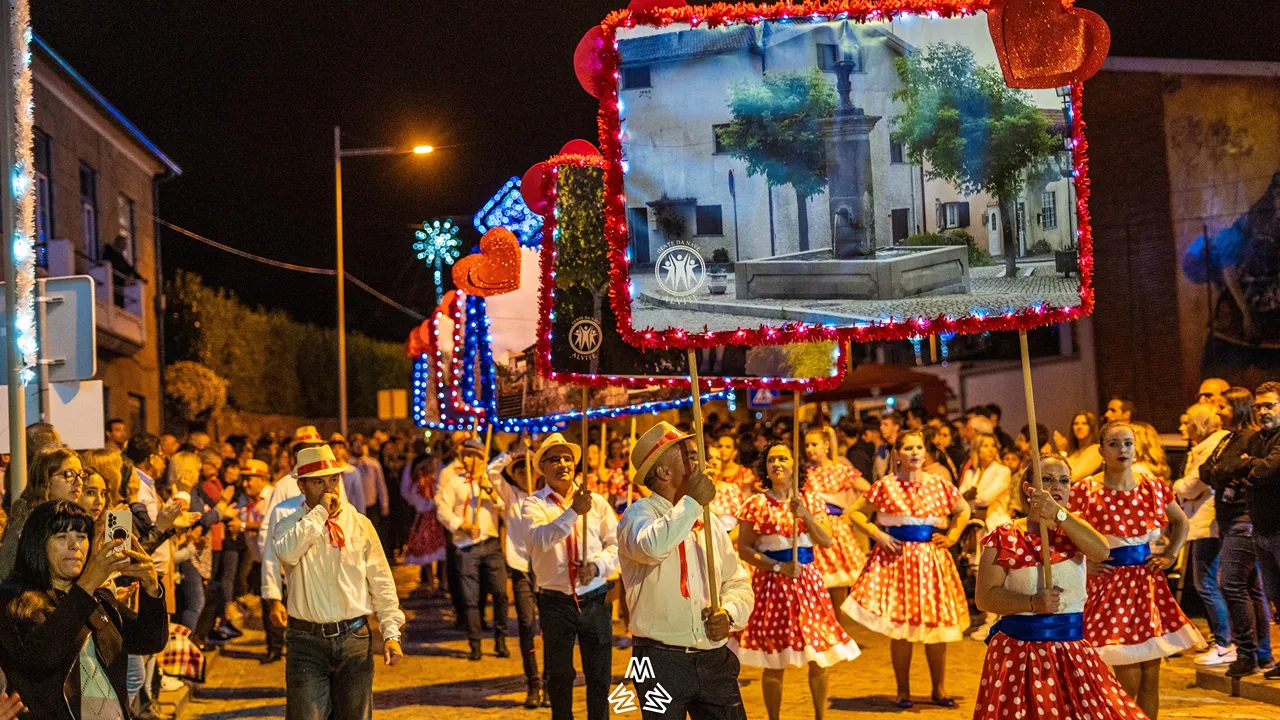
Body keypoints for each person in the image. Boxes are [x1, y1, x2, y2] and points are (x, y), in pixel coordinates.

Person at [973, 457, 1146, 720]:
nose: (1057, 486)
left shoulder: (1075, 530)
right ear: (1028, 488)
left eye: (1064, 481)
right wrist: (1032, 603)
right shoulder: (1004, 536)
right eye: (1047, 479)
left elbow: (1101, 551)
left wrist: (1059, 515)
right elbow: (985, 598)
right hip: (1018, 654)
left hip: (1071, 652)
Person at [619, 421, 755, 720]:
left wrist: (729, 613)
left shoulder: (711, 521)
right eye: (691, 456)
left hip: (714, 659)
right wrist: (691, 502)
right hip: (656, 661)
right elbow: (652, 547)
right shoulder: (636, 515)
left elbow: (739, 583)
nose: (701, 463)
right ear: (664, 472)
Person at [1070, 421, 1201, 717]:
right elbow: (1065, 533)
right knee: (1126, 672)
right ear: (1101, 451)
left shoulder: (1150, 486)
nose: (1123, 450)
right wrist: (1085, 563)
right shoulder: (1086, 490)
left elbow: (1180, 521)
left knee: (1150, 674)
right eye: (1114, 444)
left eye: (1128, 443)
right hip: (1110, 586)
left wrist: (1170, 554)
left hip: (1146, 583)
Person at [0, 501, 168, 720]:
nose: (75, 545)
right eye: (61, 537)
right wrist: (86, 586)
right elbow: (42, 657)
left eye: (81, 536)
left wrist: (152, 590)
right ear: (38, 544)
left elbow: (149, 641)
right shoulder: (14, 600)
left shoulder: (97, 597)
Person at [272, 444, 404, 720]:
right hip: (306, 642)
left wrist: (391, 633)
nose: (328, 487)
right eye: (319, 481)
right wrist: (319, 514)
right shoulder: (289, 522)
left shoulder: (359, 524)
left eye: (333, 479)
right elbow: (286, 553)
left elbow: (381, 580)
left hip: (353, 638)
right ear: (302, 486)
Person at [733, 440, 860, 720]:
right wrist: (777, 567)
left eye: (783, 459)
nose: (777, 464)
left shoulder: (812, 501)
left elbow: (826, 540)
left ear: (795, 465)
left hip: (808, 582)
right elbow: (745, 549)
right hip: (772, 584)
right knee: (774, 658)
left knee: (818, 654)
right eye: (772, 460)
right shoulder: (755, 504)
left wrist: (804, 514)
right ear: (764, 467)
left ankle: (819, 716)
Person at [843, 431, 970, 708]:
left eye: (919, 447)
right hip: (897, 560)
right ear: (897, 454)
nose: (915, 453)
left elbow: (964, 510)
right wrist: (878, 534)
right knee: (900, 628)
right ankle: (903, 691)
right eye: (908, 447)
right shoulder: (886, 486)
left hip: (931, 560)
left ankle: (939, 688)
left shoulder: (940, 484)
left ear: (926, 452)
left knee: (937, 628)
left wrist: (953, 536)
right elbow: (855, 512)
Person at [522, 433, 618, 720]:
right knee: (560, 676)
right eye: (555, 459)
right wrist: (573, 513)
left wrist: (598, 566)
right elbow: (539, 539)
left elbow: (615, 544)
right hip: (555, 602)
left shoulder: (597, 502)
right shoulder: (533, 505)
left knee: (599, 675)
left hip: (595, 599)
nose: (563, 464)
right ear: (542, 467)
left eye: (567, 458)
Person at [436, 437, 508, 661]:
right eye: (466, 455)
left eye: (474, 456)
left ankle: (500, 639)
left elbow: (505, 506)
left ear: (482, 458)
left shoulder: (493, 481)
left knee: (500, 593)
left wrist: (489, 490)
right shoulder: (454, 483)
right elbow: (442, 509)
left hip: (491, 544)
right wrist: (461, 525)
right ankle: (474, 643)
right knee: (470, 597)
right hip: (466, 547)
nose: (469, 460)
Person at [1174, 402, 1233, 667]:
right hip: (1204, 520)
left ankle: (1224, 642)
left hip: (1206, 522)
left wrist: (1176, 486)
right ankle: (1223, 641)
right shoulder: (1206, 446)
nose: (1182, 426)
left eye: (1187, 421)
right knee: (1209, 583)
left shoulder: (1208, 447)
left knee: (1206, 583)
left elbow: (1192, 484)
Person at [491, 447, 548, 709]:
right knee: (527, 625)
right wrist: (511, 455)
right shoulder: (511, 496)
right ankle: (532, 683)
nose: (524, 476)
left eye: (529, 470)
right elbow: (491, 472)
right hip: (520, 567)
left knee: (550, 630)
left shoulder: (545, 498)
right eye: (519, 471)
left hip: (546, 568)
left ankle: (549, 683)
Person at [802, 427, 869, 634]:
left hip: (836, 527)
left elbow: (869, 490)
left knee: (838, 581)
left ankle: (837, 625)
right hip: (813, 526)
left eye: (814, 444)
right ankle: (821, 625)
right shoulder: (805, 472)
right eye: (806, 445)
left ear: (826, 445)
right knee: (816, 578)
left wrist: (852, 511)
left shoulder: (840, 470)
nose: (810, 449)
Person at [0, 446, 86, 579]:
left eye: (81, 474)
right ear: (45, 479)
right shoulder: (29, 521)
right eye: (69, 474)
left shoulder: (75, 517)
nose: (79, 482)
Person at [1243, 382, 1280, 680]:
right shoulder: (1256, 439)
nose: (1263, 411)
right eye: (1259, 406)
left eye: (1270, 405)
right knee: (1276, 597)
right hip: (1261, 529)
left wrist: (1250, 467)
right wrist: (1253, 466)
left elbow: (1268, 469)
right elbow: (1228, 467)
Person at [959, 433, 1014, 535]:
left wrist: (970, 498)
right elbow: (959, 500)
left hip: (996, 524)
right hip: (972, 525)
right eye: (985, 446)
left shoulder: (1002, 471)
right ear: (977, 450)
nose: (991, 449)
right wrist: (966, 498)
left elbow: (986, 499)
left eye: (993, 445)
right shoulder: (970, 473)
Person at [1064, 412, 1103, 482]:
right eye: (1076, 424)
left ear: (1091, 427)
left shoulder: (1096, 449)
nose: (1079, 427)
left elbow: (1075, 477)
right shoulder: (1074, 451)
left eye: (1084, 423)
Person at [873, 412, 901, 480]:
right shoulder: (882, 449)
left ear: (896, 427)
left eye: (885, 425)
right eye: (881, 424)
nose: (881, 427)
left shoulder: (902, 448)